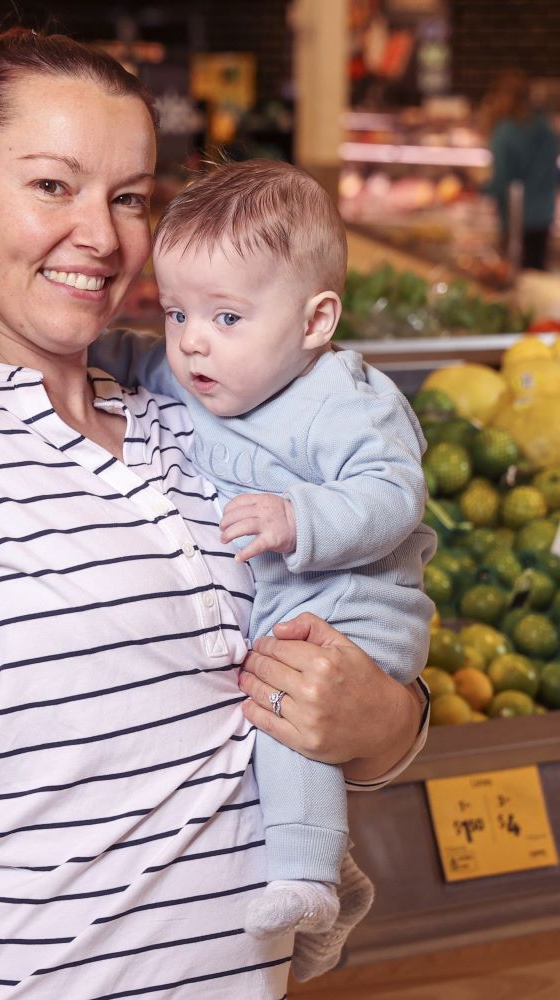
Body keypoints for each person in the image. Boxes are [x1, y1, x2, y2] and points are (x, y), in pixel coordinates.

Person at [0, 29, 428, 999]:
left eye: (130, 196)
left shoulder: (199, 410)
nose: (100, 236)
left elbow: (345, 666)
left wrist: (386, 723)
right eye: (52, 186)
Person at [89, 159, 435, 971]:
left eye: (228, 317)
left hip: (355, 603)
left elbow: (394, 493)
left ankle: (310, 878)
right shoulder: (192, 373)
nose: (193, 340)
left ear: (316, 323)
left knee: (286, 709)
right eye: (177, 312)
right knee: (262, 721)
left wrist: (299, 517)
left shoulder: (346, 401)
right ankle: (323, 865)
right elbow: (123, 356)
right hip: (283, 605)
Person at [483, 70, 559, 272]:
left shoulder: (504, 133)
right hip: (544, 215)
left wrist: (479, 188)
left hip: (515, 219)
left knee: (515, 280)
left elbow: (501, 182)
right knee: (536, 277)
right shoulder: (546, 128)